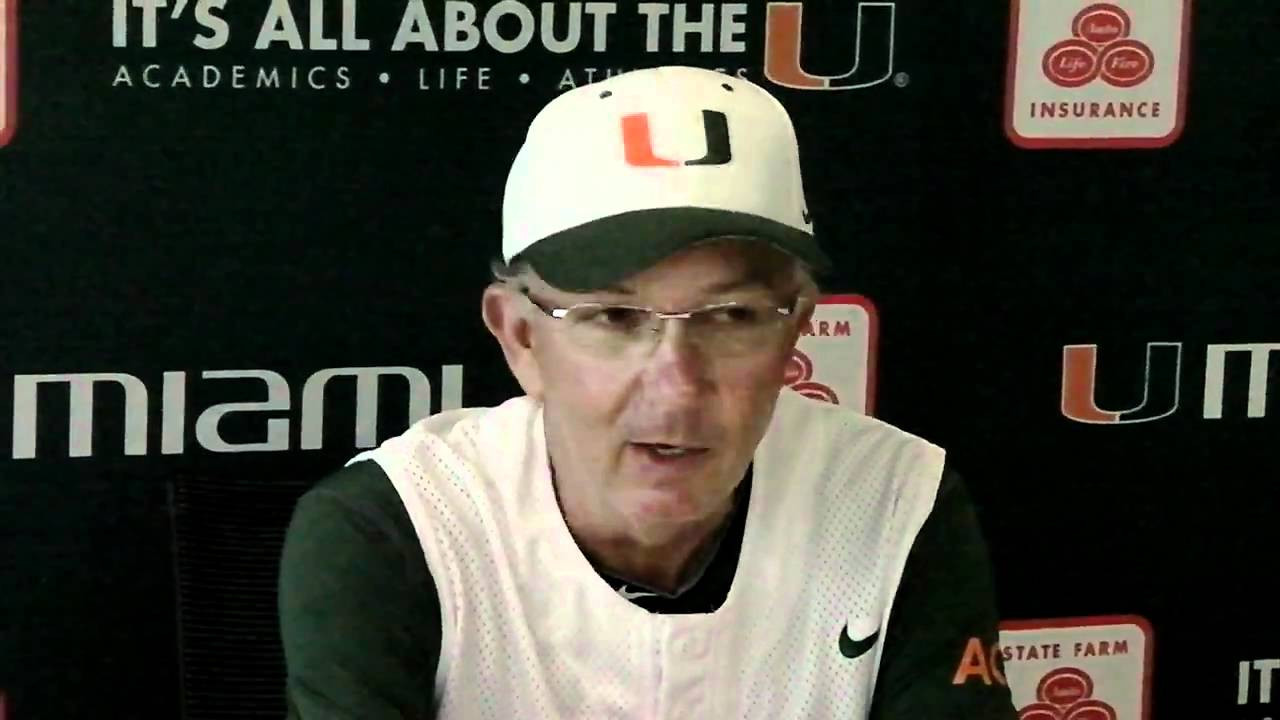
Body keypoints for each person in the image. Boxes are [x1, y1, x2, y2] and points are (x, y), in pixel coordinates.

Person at [278, 65, 1018, 719]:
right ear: (521, 338)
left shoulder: (895, 503)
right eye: (614, 317)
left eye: (731, 317)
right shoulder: (398, 530)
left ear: (795, 331)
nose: (677, 383)